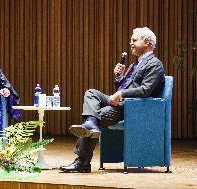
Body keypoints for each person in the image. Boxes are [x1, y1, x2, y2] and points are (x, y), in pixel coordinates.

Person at [60, 27, 165, 173]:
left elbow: (145, 90)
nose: (131, 43)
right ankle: (91, 123)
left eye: (134, 40)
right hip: (119, 102)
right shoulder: (135, 64)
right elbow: (122, 86)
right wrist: (119, 78)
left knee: (98, 116)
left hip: (129, 108)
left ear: (146, 42)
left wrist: (121, 94)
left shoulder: (154, 64)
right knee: (91, 93)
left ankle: (82, 161)